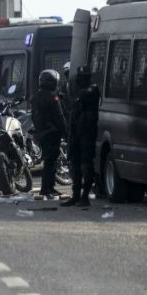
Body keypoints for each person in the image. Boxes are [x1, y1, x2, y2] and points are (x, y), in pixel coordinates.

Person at [62, 66, 100, 207]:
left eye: (83, 77)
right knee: (74, 164)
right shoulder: (76, 93)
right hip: (76, 132)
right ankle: (76, 195)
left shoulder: (92, 90)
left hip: (87, 133)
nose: (80, 79)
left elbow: (85, 95)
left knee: (86, 165)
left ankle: (84, 196)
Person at [31, 69, 68, 198]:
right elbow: (60, 117)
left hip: (41, 133)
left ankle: (48, 188)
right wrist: (66, 133)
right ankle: (47, 188)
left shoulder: (35, 97)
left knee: (49, 161)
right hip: (52, 133)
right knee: (51, 163)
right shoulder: (53, 97)